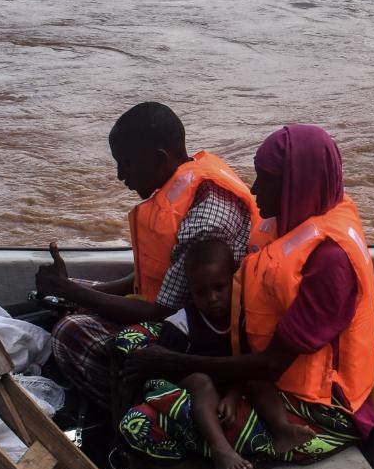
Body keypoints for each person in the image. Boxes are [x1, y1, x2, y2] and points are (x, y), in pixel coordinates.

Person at [118, 124, 374, 469]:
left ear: (296, 183)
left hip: (319, 412)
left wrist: (172, 361)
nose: (254, 190)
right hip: (262, 379)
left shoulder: (330, 261)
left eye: (266, 179)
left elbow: (271, 364)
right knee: (132, 347)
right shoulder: (294, 222)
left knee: (139, 424)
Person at [37, 102, 261, 410]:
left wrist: (75, 293)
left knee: (69, 332)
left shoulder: (205, 218)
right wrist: (79, 291)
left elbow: (164, 311)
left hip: (199, 332)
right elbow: (156, 276)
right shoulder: (185, 182)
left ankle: (137, 407)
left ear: (158, 159)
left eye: (125, 164)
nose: (119, 175)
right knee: (64, 300)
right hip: (170, 308)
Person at [112, 239, 300, 469]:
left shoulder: (247, 318)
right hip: (188, 383)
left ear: (234, 281)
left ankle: (283, 430)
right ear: (190, 291)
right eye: (202, 292)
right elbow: (161, 367)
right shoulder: (182, 324)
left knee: (258, 374)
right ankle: (220, 449)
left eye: (219, 288)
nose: (212, 298)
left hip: (230, 379)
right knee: (201, 381)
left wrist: (233, 395)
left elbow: (246, 362)